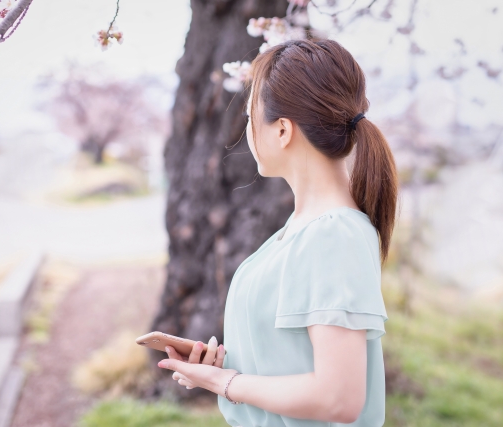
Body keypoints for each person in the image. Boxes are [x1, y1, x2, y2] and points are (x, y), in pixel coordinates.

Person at [156, 38, 398, 427]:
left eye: (251, 118)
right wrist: (223, 367)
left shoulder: (334, 235)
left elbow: (339, 398)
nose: (247, 131)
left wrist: (226, 381)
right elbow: (293, 357)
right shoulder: (302, 230)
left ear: (283, 130)